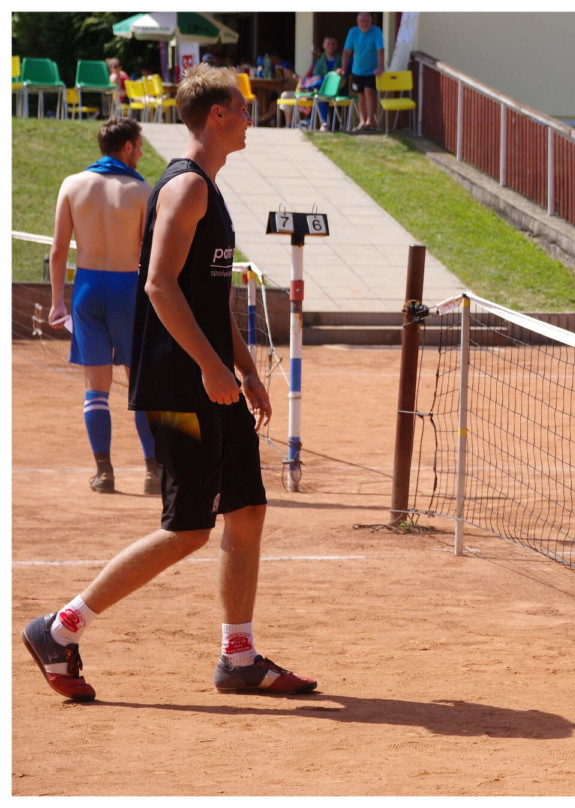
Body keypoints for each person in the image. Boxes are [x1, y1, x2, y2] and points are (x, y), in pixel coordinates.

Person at [21, 63, 317, 702]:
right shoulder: (185, 189)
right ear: (217, 115)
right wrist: (211, 368)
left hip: (211, 380)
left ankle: (239, 657)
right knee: (188, 528)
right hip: (180, 385)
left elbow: (206, 298)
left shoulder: (208, 188)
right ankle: (60, 628)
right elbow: (158, 285)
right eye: (242, 107)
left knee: (247, 509)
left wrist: (243, 368)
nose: (250, 116)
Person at [48, 117, 159, 496]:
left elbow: (58, 250)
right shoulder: (142, 191)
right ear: (126, 147)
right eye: (139, 147)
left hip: (87, 290)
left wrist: (56, 302)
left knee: (96, 390)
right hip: (128, 290)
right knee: (141, 386)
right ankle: (153, 472)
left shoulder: (72, 185)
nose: (140, 153)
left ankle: (104, 473)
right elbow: (152, 254)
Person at [341, 12, 385, 133]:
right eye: (362, 21)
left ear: (371, 22)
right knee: (360, 94)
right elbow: (347, 51)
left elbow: (380, 50)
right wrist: (344, 68)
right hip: (357, 70)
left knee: (369, 92)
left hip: (372, 70)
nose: (365, 24)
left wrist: (380, 67)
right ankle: (362, 121)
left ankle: (370, 121)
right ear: (358, 22)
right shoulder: (353, 32)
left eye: (367, 21)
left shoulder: (376, 31)